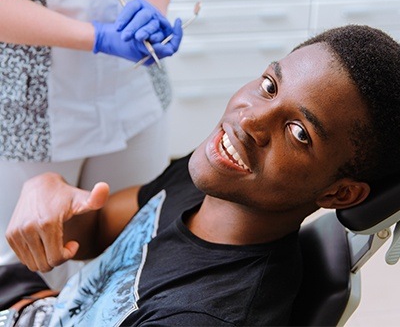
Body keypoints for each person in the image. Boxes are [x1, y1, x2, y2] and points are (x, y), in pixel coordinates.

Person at [5, 24, 400, 326]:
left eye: (298, 133)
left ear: (341, 194)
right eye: (269, 86)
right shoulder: (214, 179)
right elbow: (94, 232)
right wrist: (49, 189)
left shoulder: (202, 315)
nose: (249, 120)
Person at [0, 0, 184, 289]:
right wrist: (96, 36)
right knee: (28, 268)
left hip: (134, 96)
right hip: (25, 114)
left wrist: (152, 5)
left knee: (133, 249)